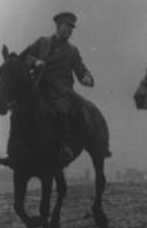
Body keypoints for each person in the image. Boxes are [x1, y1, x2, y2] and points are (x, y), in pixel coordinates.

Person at [21, 12, 94, 166]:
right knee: (21, 107)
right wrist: (35, 62)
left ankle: (63, 148)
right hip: (39, 88)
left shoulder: (72, 51)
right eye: (67, 26)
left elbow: (81, 71)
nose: (70, 30)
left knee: (61, 112)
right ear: (58, 26)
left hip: (61, 93)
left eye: (72, 28)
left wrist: (87, 78)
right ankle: (16, 146)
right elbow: (24, 57)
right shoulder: (42, 42)